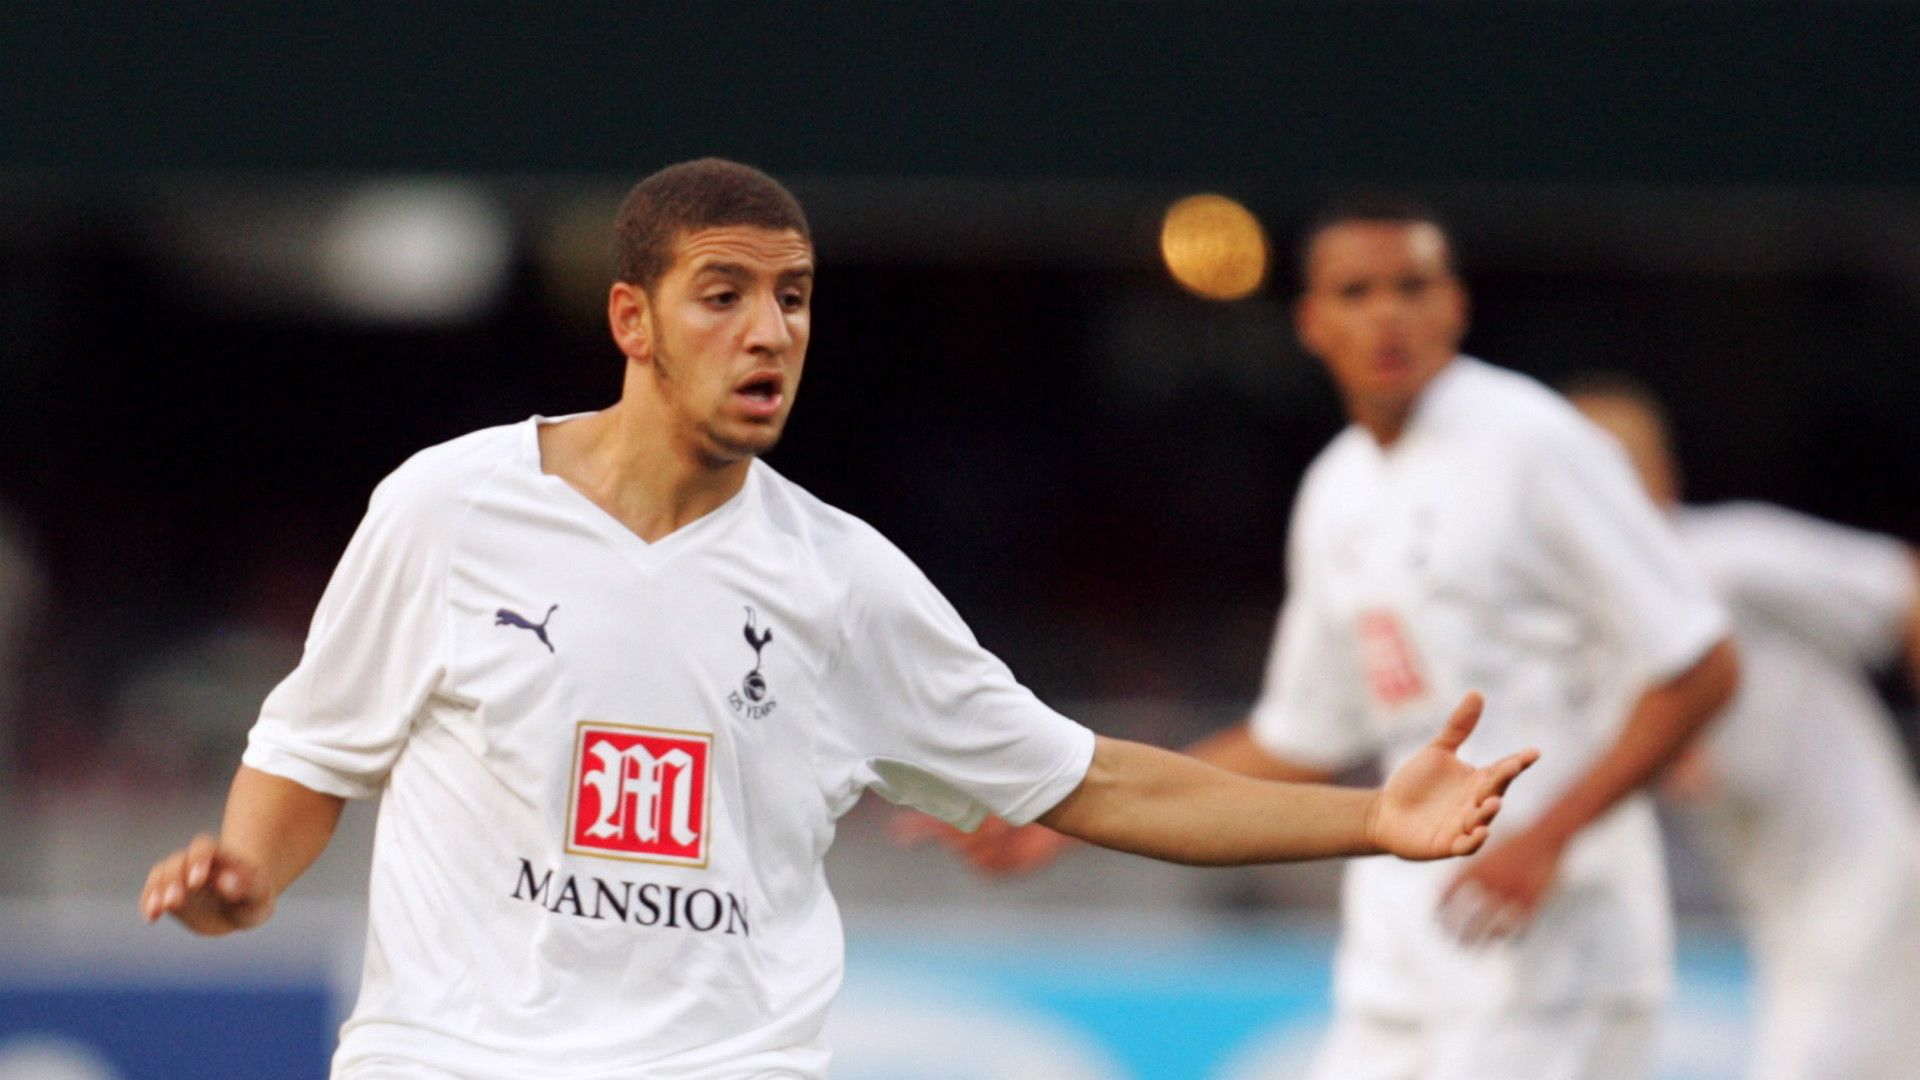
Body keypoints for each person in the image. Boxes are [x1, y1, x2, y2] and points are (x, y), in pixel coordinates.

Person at [135, 161, 1539, 1080]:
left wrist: (1371, 818)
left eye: (794, 299)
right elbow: (311, 753)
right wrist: (246, 875)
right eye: (724, 296)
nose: (771, 332)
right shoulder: (448, 509)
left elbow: (1100, 780)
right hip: (452, 1058)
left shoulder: (845, 583)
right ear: (632, 318)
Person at [927, 203, 1740, 1080]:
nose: (1387, 314)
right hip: (1404, 951)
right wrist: (1069, 814)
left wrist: (1546, 840)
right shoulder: (1336, 489)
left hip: (1557, 951)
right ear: (1313, 323)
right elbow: (1298, 738)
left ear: (1455, 306)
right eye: (1356, 292)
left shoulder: (1536, 443)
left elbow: (1702, 665)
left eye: (1411, 287)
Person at [1569, 374, 1920, 1080]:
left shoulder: (1728, 559)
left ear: (1659, 478)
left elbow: (1904, 594)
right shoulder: (1587, 625)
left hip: (1864, 877)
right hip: (1778, 908)